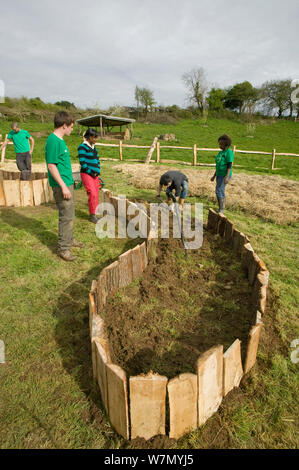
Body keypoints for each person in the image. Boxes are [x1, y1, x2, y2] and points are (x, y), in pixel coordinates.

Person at [45, 111, 84, 262]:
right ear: (64, 126)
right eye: (71, 127)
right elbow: (52, 166)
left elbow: (61, 165)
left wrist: (71, 180)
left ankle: (69, 239)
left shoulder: (60, 140)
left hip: (67, 183)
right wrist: (63, 186)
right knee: (65, 216)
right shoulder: (53, 141)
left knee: (70, 214)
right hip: (62, 186)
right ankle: (63, 249)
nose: (72, 129)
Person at [77, 128, 101, 223]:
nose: (96, 139)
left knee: (96, 193)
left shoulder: (94, 148)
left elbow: (97, 160)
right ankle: (92, 215)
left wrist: (98, 171)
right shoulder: (82, 147)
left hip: (95, 174)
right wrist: (90, 172)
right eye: (94, 137)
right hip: (86, 173)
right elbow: (82, 162)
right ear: (89, 137)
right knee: (92, 193)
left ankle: (95, 213)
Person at [210, 134, 234, 214]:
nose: (219, 145)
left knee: (218, 190)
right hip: (219, 174)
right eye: (219, 144)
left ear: (226, 144)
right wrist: (214, 176)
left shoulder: (229, 152)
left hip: (224, 174)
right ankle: (221, 208)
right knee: (220, 190)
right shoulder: (220, 153)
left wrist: (227, 177)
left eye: (221, 144)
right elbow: (218, 165)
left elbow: (229, 165)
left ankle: (221, 209)